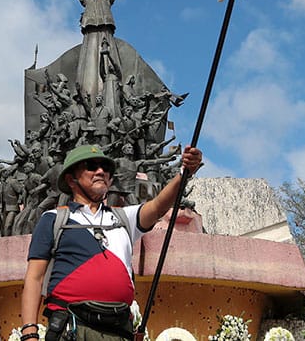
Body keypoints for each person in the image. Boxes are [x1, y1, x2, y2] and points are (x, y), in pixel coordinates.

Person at [19, 142, 203, 341]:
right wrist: (30, 333)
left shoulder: (124, 218)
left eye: (105, 168)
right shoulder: (53, 219)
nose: (100, 171)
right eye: (91, 166)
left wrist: (184, 172)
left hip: (118, 330)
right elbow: (34, 278)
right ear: (71, 179)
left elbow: (158, 206)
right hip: (71, 328)